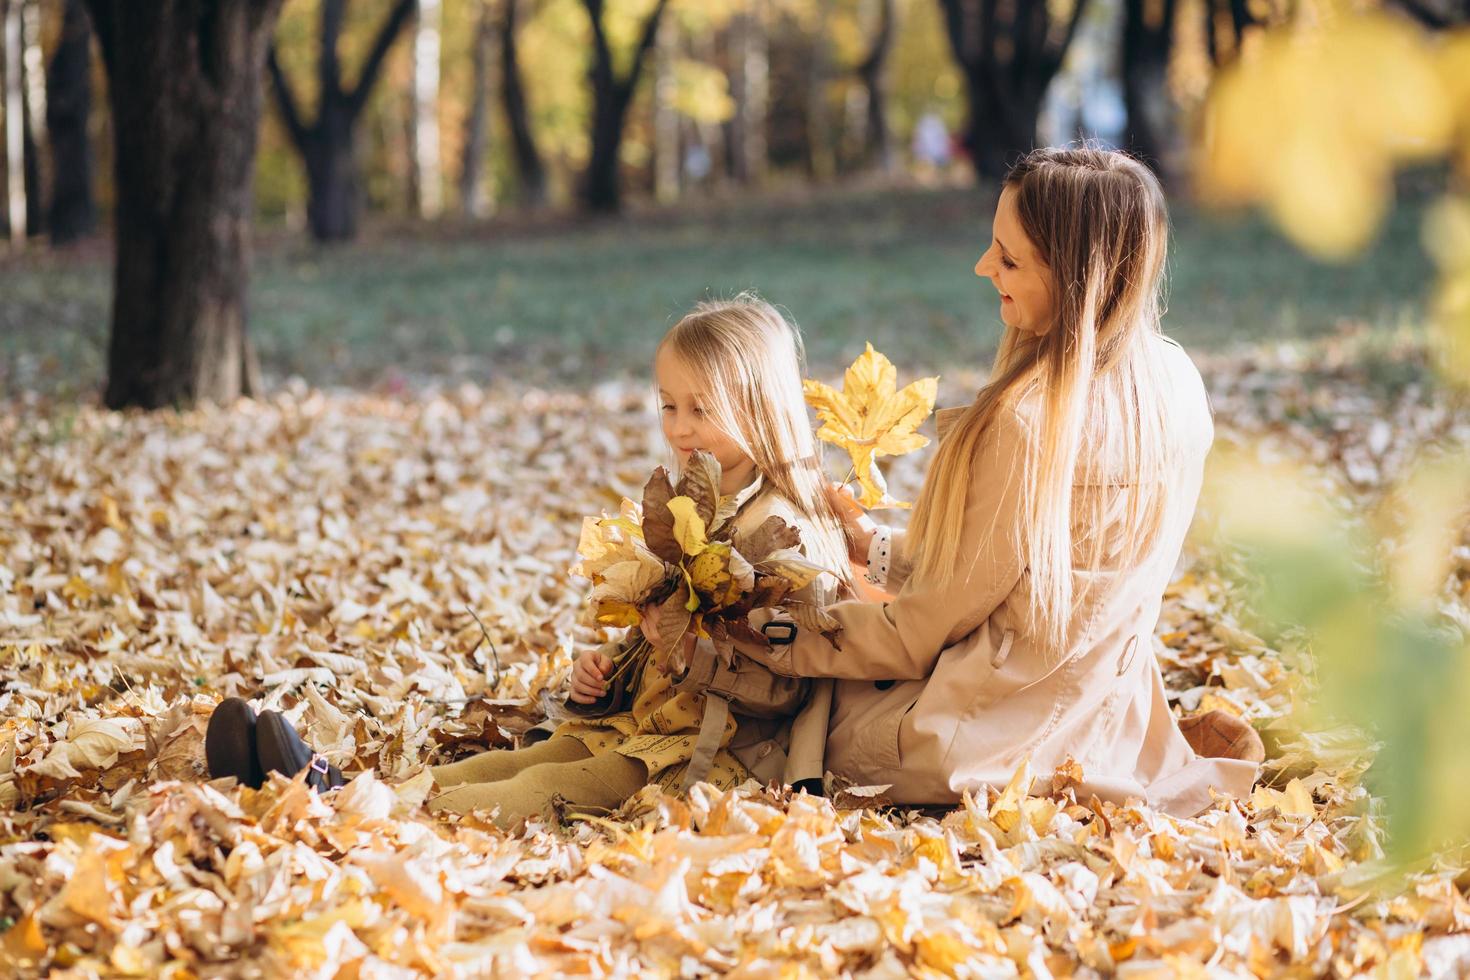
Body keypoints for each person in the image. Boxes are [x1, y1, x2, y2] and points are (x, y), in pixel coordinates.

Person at [723, 146, 1262, 817]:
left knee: (772, 715)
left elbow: (921, 631)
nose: (985, 268)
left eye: (1009, 258)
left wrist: (767, 632)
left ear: (1074, 275)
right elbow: (1025, 570)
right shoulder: (1176, 384)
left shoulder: (1030, 421)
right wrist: (876, 546)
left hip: (980, 738)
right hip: (1102, 723)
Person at [203, 295, 852, 827]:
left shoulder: (781, 527)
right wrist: (611, 668)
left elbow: (784, 675)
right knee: (509, 763)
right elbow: (668, 622)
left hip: (720, 748)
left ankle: (356, 816)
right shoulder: (703, 503)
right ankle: (341, 788)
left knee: (555, 781)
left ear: (758, 406)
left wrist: (682, 652)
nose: (679, 427)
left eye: (701, 409)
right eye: (669, 405)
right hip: (648, 718)